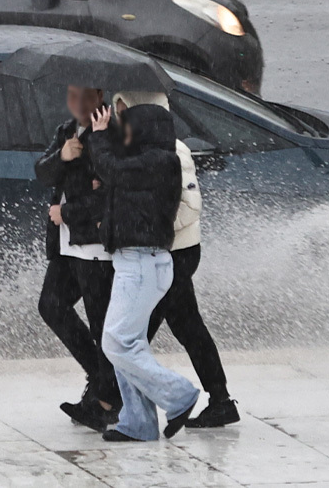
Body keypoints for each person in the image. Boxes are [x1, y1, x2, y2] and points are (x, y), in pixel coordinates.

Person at [113, 92, 238, 428]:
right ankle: (220, 399)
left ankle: (115, 400)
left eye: (127, 112)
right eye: (119, 111)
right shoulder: (136, 148)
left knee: (133, 333)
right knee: (185, 325)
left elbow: (191, 205)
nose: (120, 118)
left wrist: (152, 226)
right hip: (161, 252)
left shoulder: (174, 151)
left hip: (176, 253)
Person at [90, 103, 200, 442]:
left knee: (116, 342)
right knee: (128, 343)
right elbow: (116, 171)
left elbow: (114, 168)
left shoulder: (161, 161)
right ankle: (138, 423)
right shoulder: (146, 161)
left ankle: (179, 394)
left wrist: (98, 139)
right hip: (137, 262)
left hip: (142, 264)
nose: (125, 135)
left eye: (128, 128)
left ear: (145, 129)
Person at [35, 85, 120, 431]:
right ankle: (101, 381)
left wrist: (67, 212)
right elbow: (41, 172)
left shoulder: (112, 133)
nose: (76, 104)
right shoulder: (66, 131)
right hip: (67, 246)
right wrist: (63, 157)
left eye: (83, 97)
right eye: (70, 96)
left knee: (103, 328)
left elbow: (111, 195)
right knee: (51, 304)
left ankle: (106, 400)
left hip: (96, 248)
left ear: (99, 96)